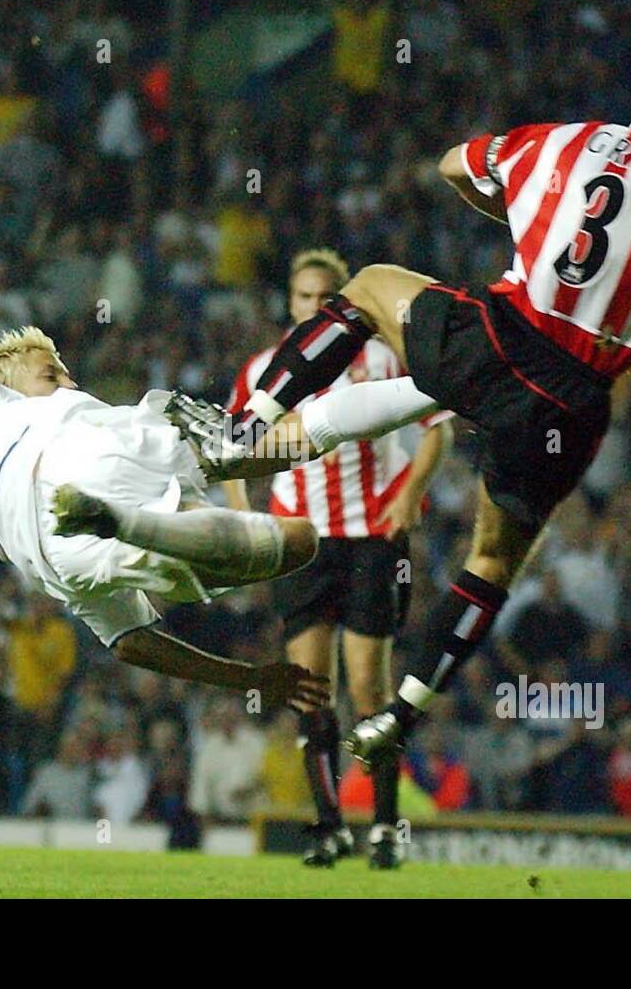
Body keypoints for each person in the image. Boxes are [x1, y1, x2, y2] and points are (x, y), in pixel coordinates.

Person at [169, 40, 631, 767]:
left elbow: (454, 163)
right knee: (492, 558)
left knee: (367, 286)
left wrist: (520, 211)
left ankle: (248, 425)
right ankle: (403, 710)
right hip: (570, 399)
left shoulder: (567, 139)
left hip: (493, 338)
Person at [0, 128, 328, 712]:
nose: (70, 383)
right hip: (74, 517)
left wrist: (248, 681)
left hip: (72, 549)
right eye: (52, 374)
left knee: (301, 539)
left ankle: (159, 517)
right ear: (3, 382)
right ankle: (387, 369)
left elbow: (130, 641)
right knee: (245, 455)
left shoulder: (43, 482)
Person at [225, 248, 453, 868]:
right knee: (310, 690)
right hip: (299, 541)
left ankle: (383, 825)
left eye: (324, 298)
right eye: (303, 298)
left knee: (368, 686)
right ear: (291, 304)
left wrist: (410, 493)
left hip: (371, 539)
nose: (311, 307)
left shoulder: (381, 357)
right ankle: (327, 828)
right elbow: (230, 449)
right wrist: (244, 522)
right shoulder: (265, 370)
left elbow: (439, 428)